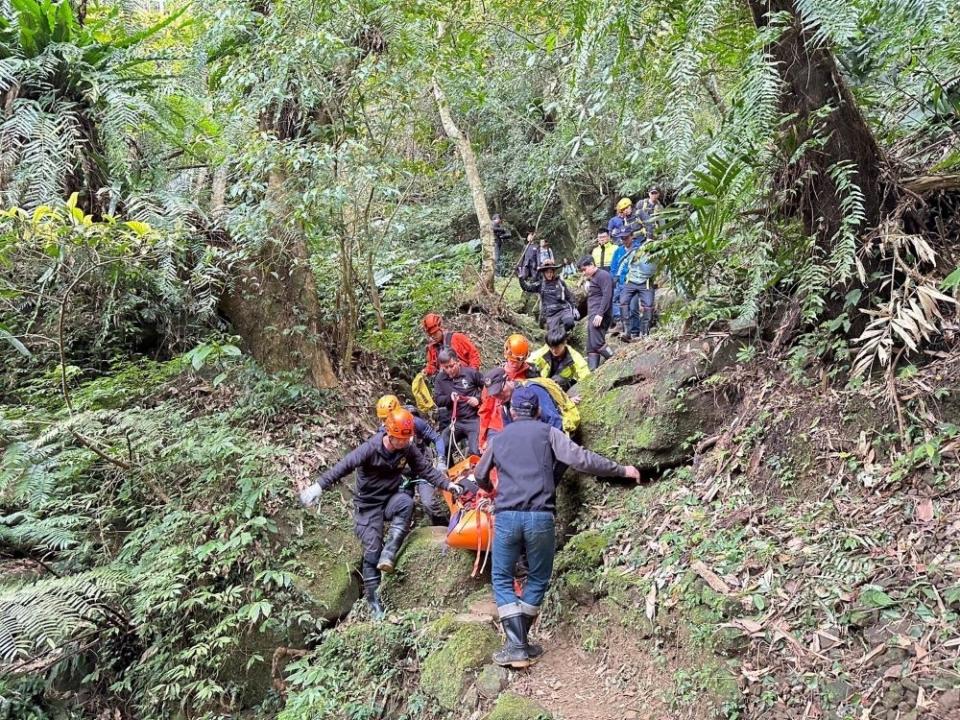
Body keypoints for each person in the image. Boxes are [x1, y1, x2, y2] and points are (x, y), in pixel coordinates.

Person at [472, 387, 640, 667]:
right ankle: (520, 644)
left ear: (512, 412)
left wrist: (491, 489)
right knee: (538, 577)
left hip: (507, 517)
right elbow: (581, 459)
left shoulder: (499, 439)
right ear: (537, 411)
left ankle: (516, 646)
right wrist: (622, 469)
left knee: (501, 577)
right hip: (540, 517)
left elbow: (479, 474)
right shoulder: (548, 433)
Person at [299, 408, 463, 619]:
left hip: (390, 499)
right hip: (368, 506)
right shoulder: (371, 448)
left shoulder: (408, 448)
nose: (405, 443)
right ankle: (374, 601)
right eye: (401, 439)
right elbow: (344, 466)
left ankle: (391, 551)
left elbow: (426, 470)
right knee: (372, 552)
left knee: (406, 502)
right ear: (390, 435)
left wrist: (449, 485)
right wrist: (318, 487)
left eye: (407, 438)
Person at [376, 395, 448, 523]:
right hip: (403, 474)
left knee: (429, 503)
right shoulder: (382, 433)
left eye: (387, 418)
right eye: (383, 419)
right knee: (402, 505)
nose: (385, 422)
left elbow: (437, 438)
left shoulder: (415, 422)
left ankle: (443, 528)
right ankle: (406, 531)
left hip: (422, 468)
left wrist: (441, 460)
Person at [433, 349, 485, 458]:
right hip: (456, 421)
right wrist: (449, 398)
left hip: (474, 419)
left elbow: (487, 387)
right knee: (442, 445)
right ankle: (447, 470)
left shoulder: (470, 373)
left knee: (475, 451)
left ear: (458, 362)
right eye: (445, 368)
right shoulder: (440, 379)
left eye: (451, 366)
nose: (449, 370)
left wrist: (478, 399)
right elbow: (437, 400)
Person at [577, 255, 615, 370]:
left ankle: (615, 359)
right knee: (591, 346)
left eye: (584, 269)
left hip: (599, 314)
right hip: (593, 313)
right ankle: (593, 372)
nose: (583, 273)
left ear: (592, 265)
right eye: (581, 271)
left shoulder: (603, 275)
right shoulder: (594, 278)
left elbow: (607, 295)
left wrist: (600, 313)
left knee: (597, 342)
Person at [619, 232, 659, 338]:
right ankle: (626, 331)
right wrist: (618, 276)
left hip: (646, 282)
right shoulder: (635, 251)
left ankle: (645, 332)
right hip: (631, 281)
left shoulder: (657, 255)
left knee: (648, 305)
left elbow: (651, 269)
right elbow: (623, 262)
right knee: (623, 301)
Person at [421, 313, 481, 378]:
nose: (433, 336)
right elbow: (432, 365)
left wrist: (472, 372)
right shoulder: (432, 348)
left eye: (435, 333)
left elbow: (473, 354)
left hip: (465, 376)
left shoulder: (457, 338)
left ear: (441, 328)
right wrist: (427, 371)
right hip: (447, 382)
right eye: (430, 334)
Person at [536, 260, 577, 335]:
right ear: (544, 273)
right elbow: (527, 287)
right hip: (550, 313)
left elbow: (568, 296)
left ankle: (566, 334)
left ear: (553, 272)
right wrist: (521, 278)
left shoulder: (560, 282)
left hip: (563, 309)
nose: (549, 274)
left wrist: (574, 307)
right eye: (547, 272)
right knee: (553, 334)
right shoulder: (541, 285)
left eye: (551, 272)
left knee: (569, 323)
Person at [609, 231, 638, 337]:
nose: (624, 241)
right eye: (622, 239)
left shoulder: (638, 249)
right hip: (621, 282)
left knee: (633, 307)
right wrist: (614, 280)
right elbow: (613, 267)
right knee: (614, 300)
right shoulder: (618, 251)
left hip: (634, 281)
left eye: (626, 238)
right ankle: (623, 325)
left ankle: (635, 330)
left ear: (632, 236)